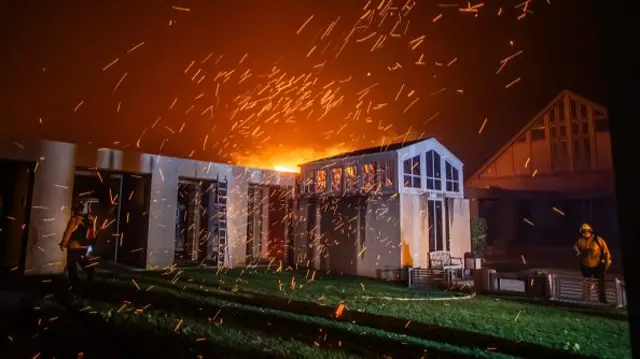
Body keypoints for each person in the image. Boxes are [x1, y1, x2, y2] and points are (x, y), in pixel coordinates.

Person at [59, 200, 97, 286]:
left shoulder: (74, 220)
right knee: (86, 266)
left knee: (72, 269)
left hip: (73, 247)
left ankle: (75, 287)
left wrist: (63, 244)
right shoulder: (89, 219)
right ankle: (88, 282)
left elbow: (68, 232)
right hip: (82, 248)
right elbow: (93, 233)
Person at [573, 223, 611, 303]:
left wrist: (605, 263)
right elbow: (575, 250)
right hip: (586, 266)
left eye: (585, 231)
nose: (584, 233)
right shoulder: (580, 241)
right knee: (587, 283)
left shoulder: (598, 240)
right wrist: (577, 252)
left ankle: (602, 300)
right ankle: (587, 300)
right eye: (582, 232)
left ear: (590, 231)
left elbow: (606, 252)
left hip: (597, 266)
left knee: (600, 284)